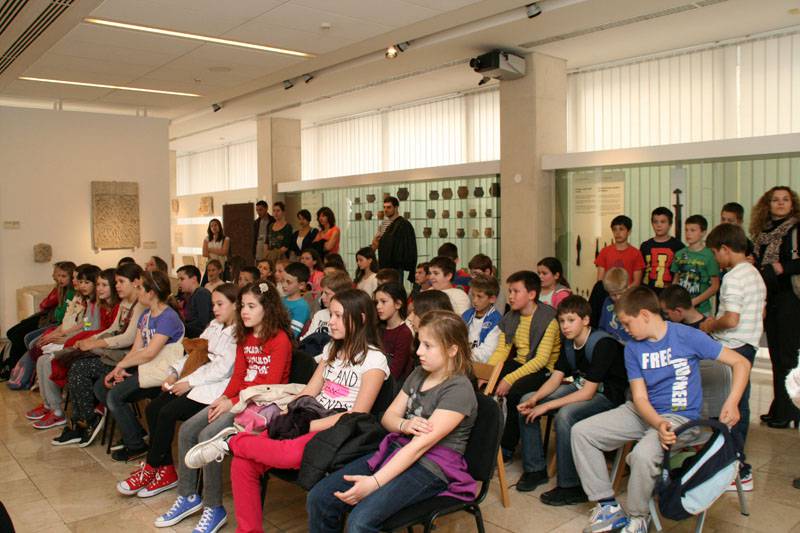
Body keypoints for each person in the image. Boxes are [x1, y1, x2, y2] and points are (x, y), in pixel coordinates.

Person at [183, 289, 390, 533]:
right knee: (242, 464)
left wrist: (307, 426)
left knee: (288, 456)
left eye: (338, 316)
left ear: (361, 319)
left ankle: (230, 442)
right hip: (310, 415)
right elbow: (309, 391)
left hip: (338, 428)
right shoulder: (332, 349)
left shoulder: (374, 359)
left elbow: (357, 415)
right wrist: (289, 415)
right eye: (331, 314)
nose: (331, 321)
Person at [572, 286, 750, 533]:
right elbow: (639, 397)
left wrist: (732, 402)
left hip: (680, 417)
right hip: (643, 413)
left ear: (645, 315)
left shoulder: (687, 336)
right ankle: (607, 506)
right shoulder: (632, 347)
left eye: (627, 323)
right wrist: (657, 423)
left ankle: (638, 518)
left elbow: (741, 362)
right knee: (582, 432)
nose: (624, 329)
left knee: (643, 455)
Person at [305, 310, 478, 533]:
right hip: (398, 450)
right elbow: (388, 417)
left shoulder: (459, 389)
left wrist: (374, 483)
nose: (419, 351)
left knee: (360, 522)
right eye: (419, 343)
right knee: (319, 498)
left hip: (432, 468)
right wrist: (403, 425)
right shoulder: (419, 373)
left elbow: (418, 447)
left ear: (452, 350)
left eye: (428, 346)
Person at [154, 281, 292, 531]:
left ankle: (213, 507)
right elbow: (238, 375)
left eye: (251, 306)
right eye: (242, 306)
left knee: (208, 437)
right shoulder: (245, 336)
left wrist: (232, 402)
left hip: (260, 405)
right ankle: (187, 496)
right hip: (238, 399)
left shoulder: (279, 339)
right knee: (187, 431)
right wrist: (224, 397)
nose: (244, 311)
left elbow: (267, 386)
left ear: (268, 308)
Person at [116, 283, 238, 499]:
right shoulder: (213, 326)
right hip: (194, 380)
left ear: (235, 305)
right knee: (153, 409)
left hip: (213, 389)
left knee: (167, 413)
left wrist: (188, 381)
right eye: (213, 305)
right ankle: (165, 470)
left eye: (220, 304)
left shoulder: (237, 334)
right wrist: (174, 373)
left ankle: (152, 467)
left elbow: (222, 369)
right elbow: (193, 355)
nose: (215, 309)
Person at [516, 295, 626, 502]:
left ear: (585, 320)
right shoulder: (569, 344)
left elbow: (588, 393)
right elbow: (556, 378)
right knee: (526, 400)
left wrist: (546, 406)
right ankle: (535, 469)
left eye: (571, 320)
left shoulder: (603, 344)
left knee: (566, 416)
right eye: (562, 321)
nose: (565, 326)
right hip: (582, 386)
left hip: (608, 396)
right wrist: (536, 399)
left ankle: (570, 485)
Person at [50, 263, 146, 447]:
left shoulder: (140, 305)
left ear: (135, 282)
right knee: (75, 365)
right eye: (116, 282)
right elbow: (112, 329)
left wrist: (95, 343)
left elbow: (127, 338)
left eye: (121, 282)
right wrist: (91, 339)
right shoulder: (125, 302)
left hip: (126, 358)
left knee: (80, 368)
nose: (117, 286)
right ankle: (80, 422)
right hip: (115, 354)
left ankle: (88, 421)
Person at [702, 222, 766, 490]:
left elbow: (731, 319)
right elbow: (761, 312)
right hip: (748, 344)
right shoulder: (754, 273)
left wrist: (710, 325)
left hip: (733, 347)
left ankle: (736, 467)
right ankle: (734, 465)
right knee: (740, 404)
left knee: (726, 408)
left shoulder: (733, 277)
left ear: (725, 249)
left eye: (715, 254)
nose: (715, 260)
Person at [96, 270, 185, 462]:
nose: (137, 291)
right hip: (145, 367)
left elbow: (150, 352)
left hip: (161, 372)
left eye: (139, 288)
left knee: (114, 395)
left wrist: (122, 364)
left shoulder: (168, 317)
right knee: (102, 387)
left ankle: (135, 444)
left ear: (151, 293)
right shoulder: (146, 315)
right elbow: (137, 348)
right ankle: (136, 432)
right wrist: (120, 369)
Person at [487, 270, 561, 462]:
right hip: (520, 363)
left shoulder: (548, 319)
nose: (510, 296)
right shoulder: (511, 317)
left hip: (544, 370)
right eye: (509, 291)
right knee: (482, 384)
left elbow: (541, 360)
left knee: (515, 393)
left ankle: (507, 447)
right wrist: (487, 373)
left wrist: (509, 379)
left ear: (531, 294)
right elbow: (502, 351)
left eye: (516, 291)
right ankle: (487, 441)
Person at [31, 265, 109, 429]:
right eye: (80, 282)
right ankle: (48, 405)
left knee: (49, 361)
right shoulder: (90, 302)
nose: (81, 285)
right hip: (82, 341)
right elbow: (86, 325)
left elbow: (96, 331)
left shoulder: (99, 304)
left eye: (86, 282)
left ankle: (57, 411)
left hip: (91, 346)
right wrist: (67, 337)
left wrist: (67, 340)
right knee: (41, 359)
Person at [751, 186, 800, 428]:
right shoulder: (763, 233)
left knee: (786, 357)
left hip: (790, 298)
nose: (780, 203)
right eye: (775, 200)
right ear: (767, 204)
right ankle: (780, 407)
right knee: (776, 356)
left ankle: (789, 411)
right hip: (770, 298)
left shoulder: (795, 229)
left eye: (785, 199)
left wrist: (781, 267)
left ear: (792, 203)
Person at [2, 261, 75, 381]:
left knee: (23, 337)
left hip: (52, 321)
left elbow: (60, 314)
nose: (59, 278)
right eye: (58, 275)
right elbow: (47, 305)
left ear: (71, 277)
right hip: (48, 317)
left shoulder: (71, 292)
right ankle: (11, 367)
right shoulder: (60, 288)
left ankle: (14, 371)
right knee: (12, 333)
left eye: (63, 276)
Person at [671, 214, 720, 316]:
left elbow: (715, 286)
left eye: (693, 230)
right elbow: (676, 280)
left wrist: (694, 301)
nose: (688, 233)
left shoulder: (710, 256)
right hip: (681, 308)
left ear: (703, 232)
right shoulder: (679, 254)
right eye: (686, 230)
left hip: (702, 310)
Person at [300, 271, 353, 349]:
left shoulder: (349, 316)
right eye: (322, 293)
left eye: (327, 293)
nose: (322, 297)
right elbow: (307, 338)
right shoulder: (319, 314)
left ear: (340, 295)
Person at [640, 207, 684, 294]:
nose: (658, 225)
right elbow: (641, 270)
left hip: (668, 293)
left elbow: (680, 272)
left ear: (670, 224)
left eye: (663, 222)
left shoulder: (678, 246)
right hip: (648, 293)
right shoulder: (645, 245)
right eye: (655, 222)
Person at [375, 282, 414, 379]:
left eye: (383, 301)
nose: (378, 306)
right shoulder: (377, 328)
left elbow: (395, 372)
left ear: (398, 304)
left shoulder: (404, 333)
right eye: (377, 302)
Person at [375, 196, 417, 283]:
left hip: (396, 267)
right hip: (383, 264)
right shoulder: (383, 224)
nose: (385, 210)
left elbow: (409, 247)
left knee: (395, 288)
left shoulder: (403, 224)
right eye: (384, 207)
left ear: (396, 207)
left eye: (389, 207)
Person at [462, 275, 502, 364]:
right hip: (463, 360)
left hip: (479, 365)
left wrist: (461, 354)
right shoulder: (466, 315)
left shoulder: (496, 321)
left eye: (479, 296)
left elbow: (486, 354)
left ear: (492, 299)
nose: (474, 300)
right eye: (473, 295)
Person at [595, 215, 645, 287]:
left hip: (628, 292)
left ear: (629, 231)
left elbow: (636, 282)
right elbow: (600, 281)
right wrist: (611, 291)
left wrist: (624, 291)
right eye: (614, 229)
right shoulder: (604, 252)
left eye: (621, 229)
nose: (617, 233)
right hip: (608, 292)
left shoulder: (636, 253)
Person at [598, 268, 633, 344]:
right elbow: (602, 326)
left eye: (621, 293)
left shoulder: (634, 303)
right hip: (610, 342)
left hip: (629, 344)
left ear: (628, 287)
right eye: (613, 295)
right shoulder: (607, 302)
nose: (617, 297)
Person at [176, 265, 212, 338]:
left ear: (194, 279)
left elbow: (202, 322)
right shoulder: (191, 295)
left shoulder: (202, 293)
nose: (178, 283)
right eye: (178, 279)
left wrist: (181, 327)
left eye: (182, 279)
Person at [282, 262, 311, 338]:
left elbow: (292, 334)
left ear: (301, 285)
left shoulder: (302, 306)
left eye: (288, 282)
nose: (284, 285)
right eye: (283, 280)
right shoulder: (281, 300)